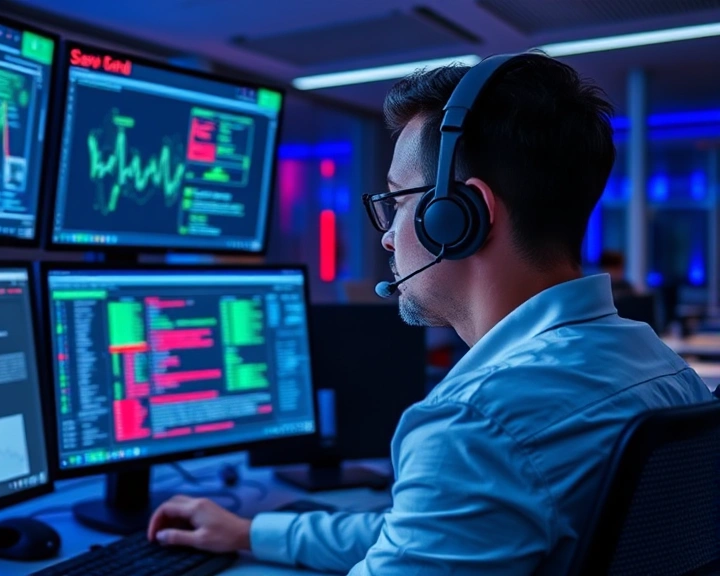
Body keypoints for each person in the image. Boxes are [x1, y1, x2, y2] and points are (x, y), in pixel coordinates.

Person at [146, 52, 714, 574]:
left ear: (459, 216)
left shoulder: (478, 423)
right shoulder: (663, 369)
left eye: (398, 203)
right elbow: (429, 533)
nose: (389, 238)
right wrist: (252, 531)